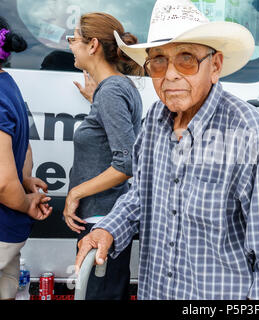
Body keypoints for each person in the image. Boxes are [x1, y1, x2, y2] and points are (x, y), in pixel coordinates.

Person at [75, 0, 259, 300]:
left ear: (215, 66)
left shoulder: (247, 131)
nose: (171, 74)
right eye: (159, 62)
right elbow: (141, 195)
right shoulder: (154, 120)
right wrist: (108, 229)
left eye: (186, 59)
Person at [63, 12, 143, 300]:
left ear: (93, 45)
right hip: (106, 215)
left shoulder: (111, 92)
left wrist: (75, 194)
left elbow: (126, 163)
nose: (71, 45)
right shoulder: (115, 89)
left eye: (74, 39)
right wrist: (96, 101)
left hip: (102, 218)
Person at [0, 17, 52, 300]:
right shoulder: (8, 83)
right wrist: (23, 179)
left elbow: (3, 185)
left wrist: (25, 202)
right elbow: (25, 151)